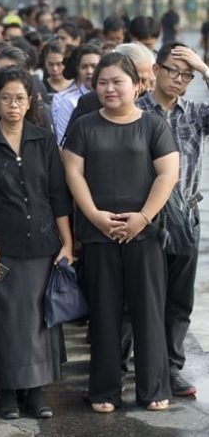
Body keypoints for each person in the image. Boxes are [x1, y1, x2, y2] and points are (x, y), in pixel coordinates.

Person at [63, 52, 179, 413]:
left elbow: (168, 174)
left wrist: (142, 217)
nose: (109, 89)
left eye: (117, 82)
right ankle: (104, 390)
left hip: (144, 235)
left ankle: (153, 388)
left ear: (137, 85)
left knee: (148, 313)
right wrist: (94, 216)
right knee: (104, 314)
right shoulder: (84, 126)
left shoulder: (154, 125)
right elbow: (73, 173)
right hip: (98, 235)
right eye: (103, 82)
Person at [0, 66, 72, 419]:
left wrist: (67, 242)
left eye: (19, 98)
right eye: (6, 98)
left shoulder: (43, 140)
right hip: (1, 245)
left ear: (30, 102)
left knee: (38, 321)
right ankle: (8, 393)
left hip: (42, 243)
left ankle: (36, 393)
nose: (13, 104)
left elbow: (57, 195)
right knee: (4, 321)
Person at [137, 42, 209, 397]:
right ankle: (121, 366)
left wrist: (205, 69)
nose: (179, 79)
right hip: (142, 216)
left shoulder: (195, 113)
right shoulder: (135, 111)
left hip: (185, 215)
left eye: (187, 75)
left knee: (178, 300)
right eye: (173, 71)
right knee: (133, 297)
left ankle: (171, 367)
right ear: (156, 70)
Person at [52, 44, 102, 144]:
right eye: (84, 67)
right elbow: (63, 141)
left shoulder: (111, 97)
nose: (89, 71)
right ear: (78, 70)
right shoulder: (69, 101)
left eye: (94, 66)